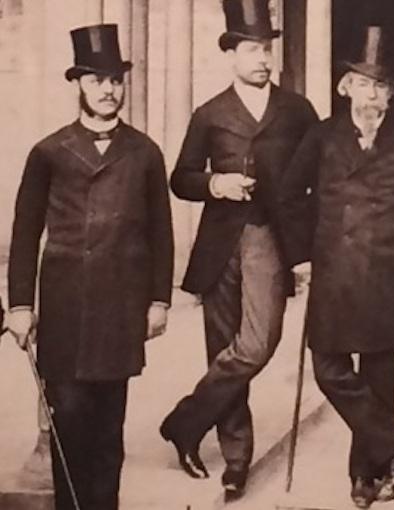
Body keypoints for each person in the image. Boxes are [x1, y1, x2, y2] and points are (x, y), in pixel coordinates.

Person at [7, 24, 173, 510]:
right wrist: (20, 304)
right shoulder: (49, 152)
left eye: (115, 80)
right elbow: (24, 232)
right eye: (97, 80)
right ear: (77, 84)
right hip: (64, 308)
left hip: (119, 310)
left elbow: (161, 233)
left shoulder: (144, 152)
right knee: (70, 422)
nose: (108, 90)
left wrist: (159, 300)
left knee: (108, 431)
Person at [158, 0, 318, 501]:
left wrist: (307, 248)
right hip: (217, 245)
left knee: (256, 344)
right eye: (252, 49)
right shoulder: (210, 113)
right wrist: (216, 182)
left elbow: (316, 176)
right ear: (230, 54)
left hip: (269, 236)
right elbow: (180, 178)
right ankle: (236, 459)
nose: (263, 58)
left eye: (268, 49)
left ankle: (184, 422)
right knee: (221, 344)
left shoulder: (297, 110)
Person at [278, 25, 394, 509]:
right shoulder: (322, 136)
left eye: (381, 86)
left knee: (382, 375)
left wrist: (388, 238)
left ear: (393, 94)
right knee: (330, 370)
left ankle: (369, 477)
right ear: (345, 88)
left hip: (388, 271)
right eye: (363, 84)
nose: (372, 95)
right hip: (335, 272)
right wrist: (304, 254)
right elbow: (288, 197)